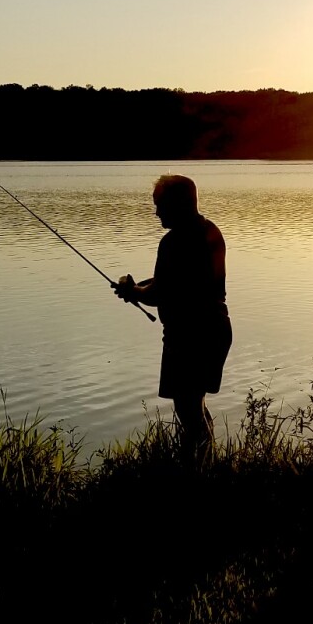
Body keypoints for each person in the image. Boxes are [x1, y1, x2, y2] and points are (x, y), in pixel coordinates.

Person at [113, 174, 232, 459]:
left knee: (188, 409)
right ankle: (208, 463)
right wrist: (138, 289)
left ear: (178, 203)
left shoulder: (173, 242)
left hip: (190, 335)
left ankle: (196, 469)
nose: (156, 212)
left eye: (160, 205)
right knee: (196, 404)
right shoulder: (209, 231)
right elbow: (177, 281)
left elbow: (161, 292)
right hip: (216, 329)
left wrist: (135, 292)